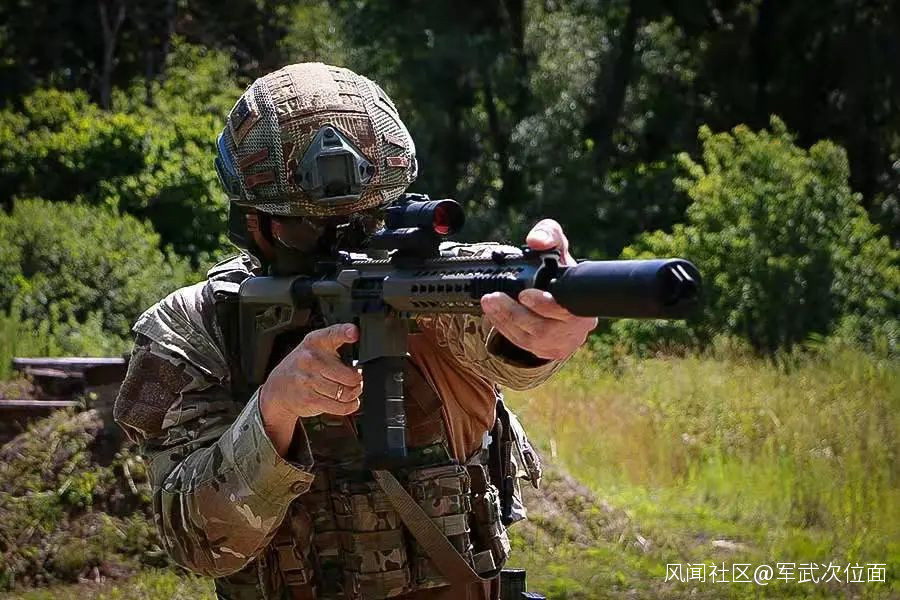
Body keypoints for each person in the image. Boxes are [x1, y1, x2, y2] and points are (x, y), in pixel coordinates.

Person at [114, 62, 596, 600]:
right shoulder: (194, 328)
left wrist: (550, 324)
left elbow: (500, 330)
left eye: (369, 220)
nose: (345, 244)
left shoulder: (438, 287)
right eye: (307, 227)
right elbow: (196, 545)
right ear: (249, 220)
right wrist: (274, 410)